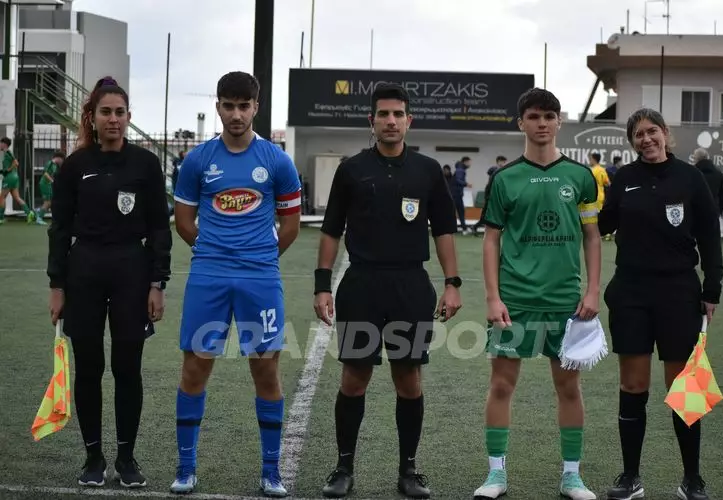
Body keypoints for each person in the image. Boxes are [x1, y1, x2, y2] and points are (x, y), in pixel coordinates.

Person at [314, 82, 462, 499]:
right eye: (384, 114)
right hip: (361, 284)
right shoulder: (351, 170)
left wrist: (452, 284)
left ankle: (409, 470)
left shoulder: (428, 170)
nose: (391, 121)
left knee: (408, 379)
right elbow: (331, 230)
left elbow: (444, 231)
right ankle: (343, 468)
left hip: (410, 285)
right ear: (372, 120)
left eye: (398, 114)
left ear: (409, 120)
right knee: (353, 377)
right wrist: (322, 286)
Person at [170, 71, 302, 497]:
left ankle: (271, 471)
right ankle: (186, 468)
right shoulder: (197, 160)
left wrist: (260, 258)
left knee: (265, 367)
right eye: (228, 106)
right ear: (218, 107)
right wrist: (213, 252)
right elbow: (184, 221)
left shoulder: (277, 161)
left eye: (244, 106)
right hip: (208, 275)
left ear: (256, 107)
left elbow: (291, 224)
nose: (236, 114)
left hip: (260, 277)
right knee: (195, 366)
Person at [474, 87, 601, 500]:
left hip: (565, 301)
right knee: (501, 385)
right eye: (533, 116)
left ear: (559, 121)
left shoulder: (580, 177)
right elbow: (491, 240)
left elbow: (592, 237)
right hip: (515, 301)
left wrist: (592, 290)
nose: (542, 123)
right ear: (521, 123)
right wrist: (493, 297)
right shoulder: (505, 178)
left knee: (569, 388)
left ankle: (571, 476)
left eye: (549, 116)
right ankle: (496, 475)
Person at [46, 76, 172, 488]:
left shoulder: (146, 164)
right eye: (105, 112)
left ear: (128, 117)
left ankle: (127, 458)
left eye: (119, 112)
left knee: (127, 368)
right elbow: (59, 228)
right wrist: (57, 285)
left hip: (132, 271)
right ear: (93, 117)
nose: (113, 119)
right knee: (89, 368)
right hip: (84, 271)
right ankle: (93, 458)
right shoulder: (75, 166)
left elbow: (159, 227)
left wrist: (157, 282)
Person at [598, 108, 723, 500]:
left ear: (665, 133)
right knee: (633, 385)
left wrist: (712, 288)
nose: (646, 139)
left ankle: (692, 480)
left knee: (683, 387)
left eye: (652, 131)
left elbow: (710, 235)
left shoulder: (690, 178)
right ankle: (630, 478)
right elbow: (602, 224)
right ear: (632, 142)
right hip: (631, 293)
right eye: (638, 134)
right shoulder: (624, 179)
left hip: (679, 293)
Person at [0, 137, 35, 224]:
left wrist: (8, 170)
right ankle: (29, 213)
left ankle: (1, 218)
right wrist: (3, 171)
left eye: (0, 143)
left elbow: (16, 162)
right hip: (14, 177)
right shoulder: (7, 153)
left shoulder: (8, 152)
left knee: (2, 197)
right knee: (17, 197)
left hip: (9, 177)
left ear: (4, 144)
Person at [693, 148, 723, 215]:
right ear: (707, 157)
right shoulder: (718, 173)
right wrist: (719, 210)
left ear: (696, 159)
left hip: (695, 212)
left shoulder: (692, 173)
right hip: (713, 211)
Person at [35, 151, 65, 225]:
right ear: (59, 158)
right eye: (62, 160)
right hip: (45, 184)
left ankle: (37, 211)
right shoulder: (50, 163)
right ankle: (39, 218)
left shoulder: (55, 165)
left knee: (50, 201)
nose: (62, 162)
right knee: (47, 202)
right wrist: (52, 181)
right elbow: (45, 173)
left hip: (48, 184)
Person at [450, 156, 472, 234]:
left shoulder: (460, 169)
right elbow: (458, 180)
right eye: (469, 162)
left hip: (456, 194)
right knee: (459, 211)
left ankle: (463, 228)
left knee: (459, 211)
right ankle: (463, 229)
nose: (470, 164)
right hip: (456, 195)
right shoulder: (460, 170)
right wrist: (466, 184)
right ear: (465, 162)